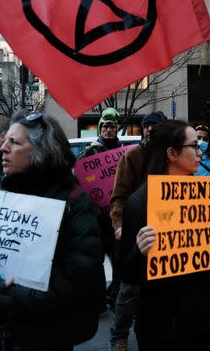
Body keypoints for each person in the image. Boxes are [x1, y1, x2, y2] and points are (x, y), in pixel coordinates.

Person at [0, 111, 106, 351]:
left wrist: (13, 297)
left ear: (41, 152)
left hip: (41, 336)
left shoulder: (73, 202)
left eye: (15, 142)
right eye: (6, 140)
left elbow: (80, 278)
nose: (3, 148)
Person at [120, 119, 210, 350]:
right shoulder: (140, 203)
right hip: (163, 330)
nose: (200, 151)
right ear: (172, 153)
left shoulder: (208, 195)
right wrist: (139, 251)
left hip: (205, 323)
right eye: (194, 146)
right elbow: (125, 273)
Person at [108, 110, 166, 351]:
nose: (150, 131)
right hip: (136, 231)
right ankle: (119, 336)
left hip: (164, 231)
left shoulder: (170, 157)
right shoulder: (132, 157)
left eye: (156, 127)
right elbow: (118, 197)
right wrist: (119, 225)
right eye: (147, 127)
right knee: (131, 288)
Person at [77, 107, 123, 309]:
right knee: (95, 261)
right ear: (99, 128)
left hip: (116, 217)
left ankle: (114, 294)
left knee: (118, 259)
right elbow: (79, 181)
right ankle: (97, 300)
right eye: (105, 126)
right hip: (96, 218)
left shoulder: (124, 153)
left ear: (117, 129)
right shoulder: (88, 152)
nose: (108, 130)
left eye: (112, 126)